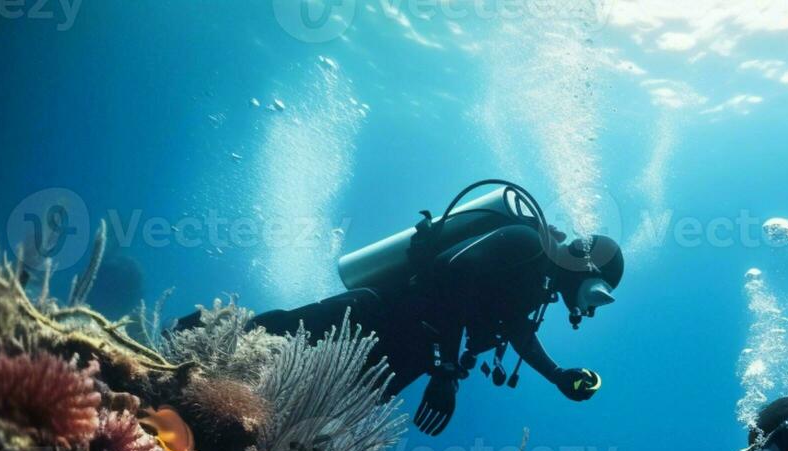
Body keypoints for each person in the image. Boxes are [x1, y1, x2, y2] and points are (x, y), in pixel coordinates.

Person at [181, 180, 620, 436]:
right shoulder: (526, 244)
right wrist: (447, 369)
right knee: (286, 333)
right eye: (595, 296)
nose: (590, 310)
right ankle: (196, 340)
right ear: (588, 275)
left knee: (334, 409)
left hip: (414, 348)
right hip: (383, 309)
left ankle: (249, 436)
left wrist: (557, 374)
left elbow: (518, 330)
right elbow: (453, 272)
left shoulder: (534, 285)